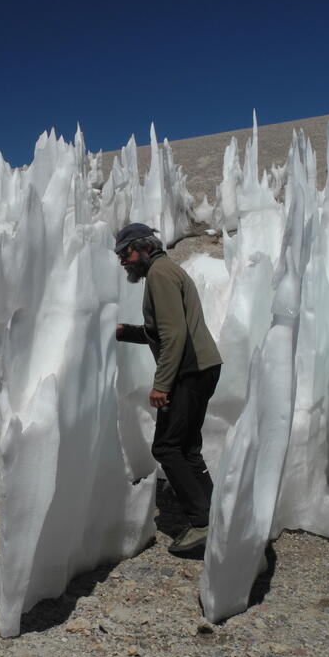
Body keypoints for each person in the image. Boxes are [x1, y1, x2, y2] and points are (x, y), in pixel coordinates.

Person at [114, 223, 223, 553]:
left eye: (126, 252)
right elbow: (162, 331)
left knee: (167, 448)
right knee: (187, 447)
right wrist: (124, 331)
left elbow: (174, 334)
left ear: (145, 247)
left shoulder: (160, 275)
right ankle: (215, 512)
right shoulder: (164, 271)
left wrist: (162, 384)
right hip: (202, 367)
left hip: (188, 372)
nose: (123, 260)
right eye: (119, 255)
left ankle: (202, 523)